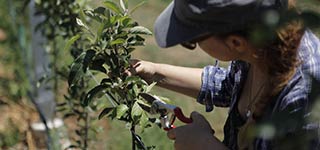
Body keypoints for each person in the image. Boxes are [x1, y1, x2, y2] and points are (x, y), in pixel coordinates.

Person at [129, 0, 320, 149]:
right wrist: (153, 71)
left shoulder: (304, 99)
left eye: (192, 40)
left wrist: (205, 145)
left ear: (236, 43)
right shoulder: (258, 49)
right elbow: (229, 86)